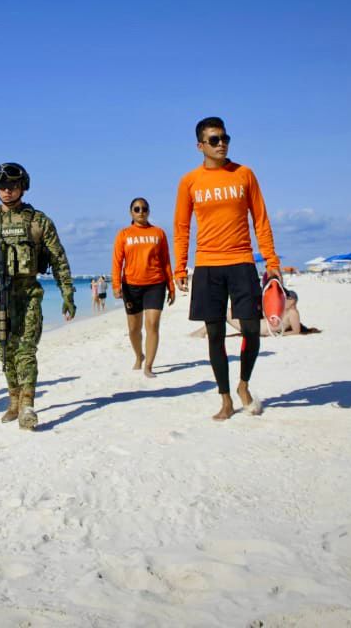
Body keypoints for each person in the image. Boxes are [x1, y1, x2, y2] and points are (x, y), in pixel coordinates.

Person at [173, 117, 281, 421]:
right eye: (214, 140)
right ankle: (224, 398)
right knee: (215, 334)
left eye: (224, 138)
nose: (222, 144)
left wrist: (271, 262)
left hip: (242, 261)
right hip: (207, 266)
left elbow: (261, 219)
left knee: (251, 330)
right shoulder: (189, 181)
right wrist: (179, 267)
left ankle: (243, 385)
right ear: (200, 146)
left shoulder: (244, 175)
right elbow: (182, 227)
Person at [0, 162, 76, 431]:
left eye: (12, 186)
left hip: (28, 295)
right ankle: (13, 398)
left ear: (23, 186)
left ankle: (27, 406)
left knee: (26, 350)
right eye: (2, 187)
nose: (7, 191)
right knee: (4, 350)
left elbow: (59, 259)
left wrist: (67, 293)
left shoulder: (38, 221)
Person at [112, 197, 175, 377]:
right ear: (131, 212)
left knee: (152, 325)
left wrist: (171, 286)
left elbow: (166, 261)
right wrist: (116, 285)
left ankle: (148, 366)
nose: (141, 212)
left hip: (155, 284)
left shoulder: (159, 233)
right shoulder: (124, 234)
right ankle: (139, 355)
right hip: (131, 286)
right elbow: (117, 261)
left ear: (149, 211)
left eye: (144, 209)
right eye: (137, 209)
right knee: (134, 328)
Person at [190, 289, 320, 338]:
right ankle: (202, 332)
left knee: (223, 311)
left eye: (286, 297)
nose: (283, 298)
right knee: (224, 311)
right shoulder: (282, 310)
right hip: (258, 325)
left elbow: (296, 331)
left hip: (260, 328)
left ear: (293, 300)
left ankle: (202, 332)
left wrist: (279, 334)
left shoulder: (293, 312)